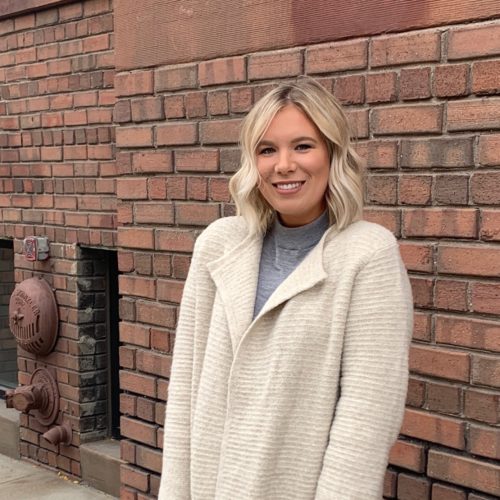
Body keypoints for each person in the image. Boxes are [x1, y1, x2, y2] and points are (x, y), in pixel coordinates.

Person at [159, 77, 413, 500]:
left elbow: (366, 418)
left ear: (333, 154)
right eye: (267, 149)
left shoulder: (367, 255)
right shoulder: (219, 244)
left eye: (303, 146)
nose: (284, 165)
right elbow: (186, 387)